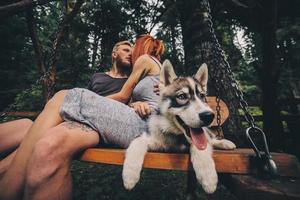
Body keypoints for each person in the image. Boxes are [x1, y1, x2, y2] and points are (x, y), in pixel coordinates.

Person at [0, 34, 164, 200]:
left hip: (98, 121)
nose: (130, 53)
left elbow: (130, 102)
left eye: (132, 49)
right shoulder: (98, 77)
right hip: (85, 114)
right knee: (32, 132)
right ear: (114, 54)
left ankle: (7, 190)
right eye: (125, 49)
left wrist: (83, 104)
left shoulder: (134, 77)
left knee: (63, 100)